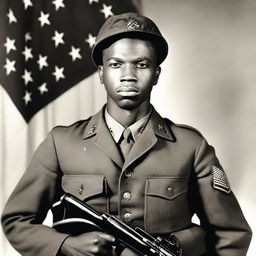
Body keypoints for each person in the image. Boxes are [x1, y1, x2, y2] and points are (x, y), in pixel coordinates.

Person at [1, 12, 252, 256]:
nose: (128, 76)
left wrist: (178, 245)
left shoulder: (190, 147)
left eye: (141, 64)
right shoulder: (61, 143)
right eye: (116, 64)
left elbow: (231, 234)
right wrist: (66, 245)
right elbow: (17, 221)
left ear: (156, 74)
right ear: (101, 73)